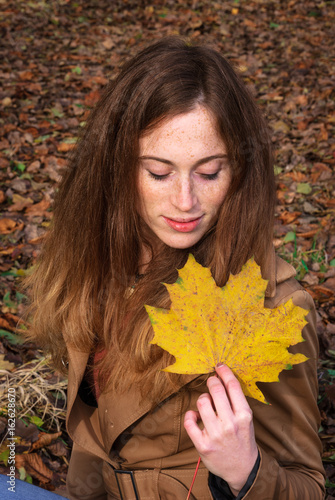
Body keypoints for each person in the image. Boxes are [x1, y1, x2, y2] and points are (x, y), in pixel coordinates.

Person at [24, 37, 325, 499]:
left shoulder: (272, 310)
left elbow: (307, 486)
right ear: (117, 167)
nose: (185, 202)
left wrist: (247, 472)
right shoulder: (98, 261)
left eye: (209, 172)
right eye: (159, 173)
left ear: (240, 172)